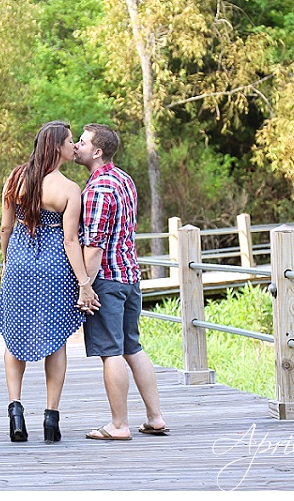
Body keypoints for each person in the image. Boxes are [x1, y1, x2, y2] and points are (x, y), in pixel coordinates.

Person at [0, 121, 99, 444]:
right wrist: (84, 281)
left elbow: (5, 229)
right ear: (57, 148)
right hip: (54, 267)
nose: (74, 146)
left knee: (15, 338)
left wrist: (7, 262)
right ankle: (51, 418)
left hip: (19, 264)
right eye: (70, 142)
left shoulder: (15, 179)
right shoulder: (69, 189)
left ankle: (15, 410)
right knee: (56, 340)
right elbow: (70, 240)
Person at [73, 123, 169, 441]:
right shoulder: (124, 179)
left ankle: (119, 424)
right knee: (132, 346)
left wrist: (85, 285)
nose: (76, 145)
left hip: (108, 281)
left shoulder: (99, 188)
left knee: (110, 351)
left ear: (97, 152)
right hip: (129, 277)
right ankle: (155, 418)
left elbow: (95, 244)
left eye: (83, 142)